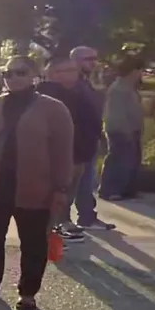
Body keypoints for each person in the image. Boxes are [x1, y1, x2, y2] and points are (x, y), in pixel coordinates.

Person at [0, 56, 73, 310]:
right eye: (7, 73)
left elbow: (63, 151)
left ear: (34, 75)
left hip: (35, 188)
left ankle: (28, 293)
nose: (12, 78)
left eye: (20, 72)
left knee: (33, 242)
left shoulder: (53, 109)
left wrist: (61, 188)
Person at [38, 55, 102, 243]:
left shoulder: (79, 91)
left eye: (74, 70)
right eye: (68, 70)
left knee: (66, 196)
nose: (75, 74)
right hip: (60, 156)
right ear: (53, 73)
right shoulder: (46, 97)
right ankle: (48, 236)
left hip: (80, 154)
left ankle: (59, 227)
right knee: (53, 198)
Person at [69, 46, 114, 230]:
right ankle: (70, 219)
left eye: (95, 58)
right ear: (75, 61)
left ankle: (87, 216)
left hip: (89, 137)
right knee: (76, 180)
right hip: (77, 139)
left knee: (86, 179)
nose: (93, 62)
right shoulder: (72, 84)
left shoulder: (88, 82)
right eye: (88, 59)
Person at [101, 56, 145, 201]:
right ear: (133, 71)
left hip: (133, 128)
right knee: (118, 159)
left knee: (132, 160)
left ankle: (127, 189)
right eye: (140, 70)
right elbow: (116, 113)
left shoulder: (130, 88)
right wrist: (125, 130)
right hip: (120, 130)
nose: (141, 74)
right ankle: (110, 190)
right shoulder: (118, 89)